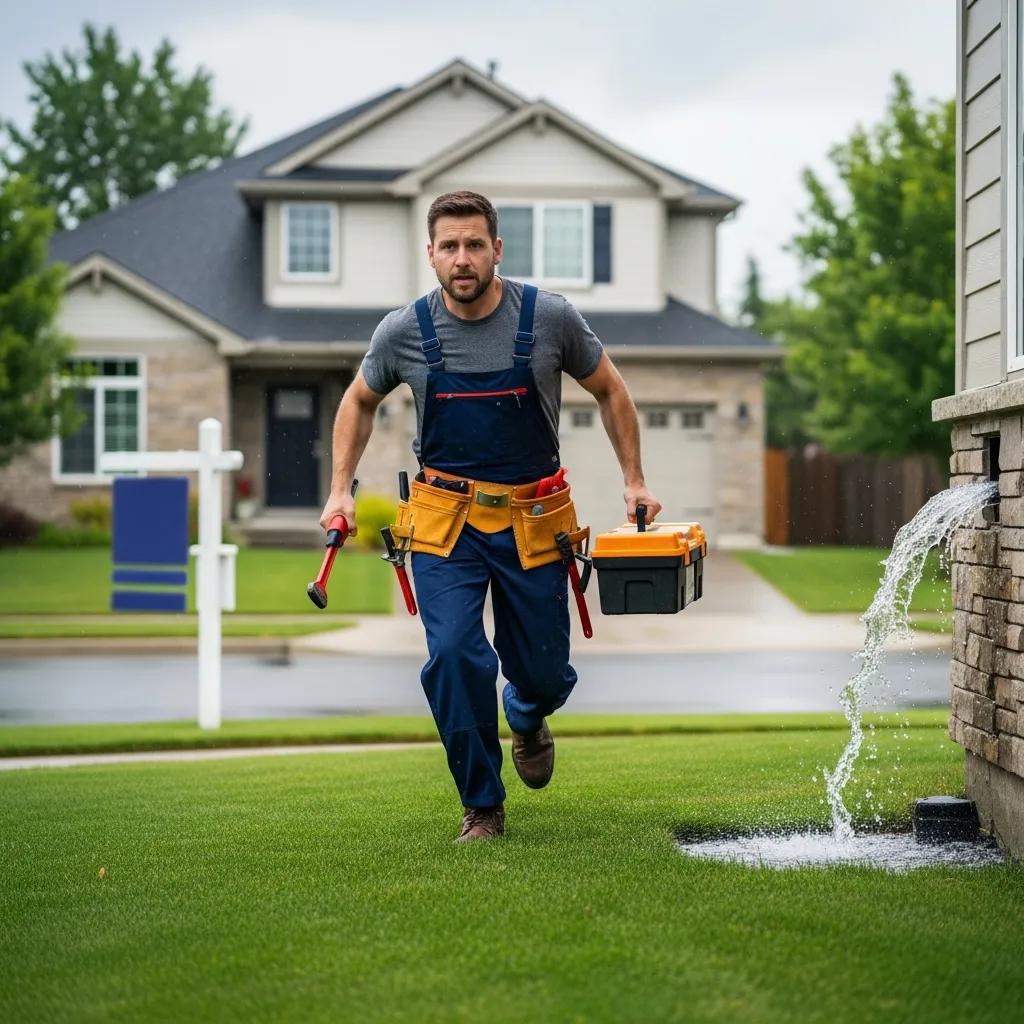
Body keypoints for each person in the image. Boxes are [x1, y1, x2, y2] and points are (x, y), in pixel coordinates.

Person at [320, 190, 662, 842]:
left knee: (543, 671)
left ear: (497, 249)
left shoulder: (550, 319)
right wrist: (340, 489)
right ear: (431, 254)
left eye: (475, 244)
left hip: (535, 518)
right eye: (449, 246)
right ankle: (482, 804)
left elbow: (611, 389)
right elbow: (358, 402)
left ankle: (527, 713)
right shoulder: (405, 332)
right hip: (444, 522)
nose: (463, 258)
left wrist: (635, 480)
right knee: (453, 654)